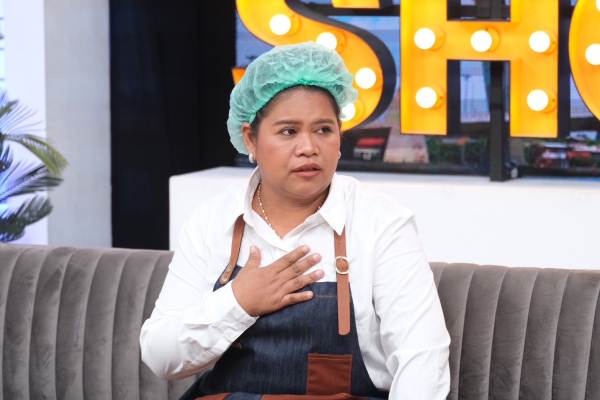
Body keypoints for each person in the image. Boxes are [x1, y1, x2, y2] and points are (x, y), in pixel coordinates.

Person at [140, 42, 450, 399]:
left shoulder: (382, 223)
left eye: (323, 130)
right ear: (250, 139)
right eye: (288, 131)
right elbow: (160, 355)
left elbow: (422, 362)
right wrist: (238, 302)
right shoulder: (212, 220)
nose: (309, 147)